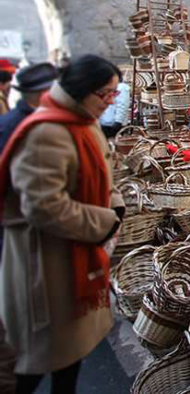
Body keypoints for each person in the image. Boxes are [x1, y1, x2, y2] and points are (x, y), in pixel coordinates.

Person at [0, 54, 126, 394]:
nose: (111, 102)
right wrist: (105, 221)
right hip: (46, 262)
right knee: (39, 357)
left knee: (71, 354)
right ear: (80, 90)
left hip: (79, 254)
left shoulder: (85, 124)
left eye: (114, 94)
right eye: (106, 94)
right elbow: (44, 207)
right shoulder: (46, 132)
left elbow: (106, 176)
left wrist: (115, 206)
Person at [99, 71, 130, 139]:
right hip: (105, 122)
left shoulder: (122, 87)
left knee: (115, 143)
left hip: (114, 123)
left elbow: (122, 105)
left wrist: (118, 121)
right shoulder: (108, 87)